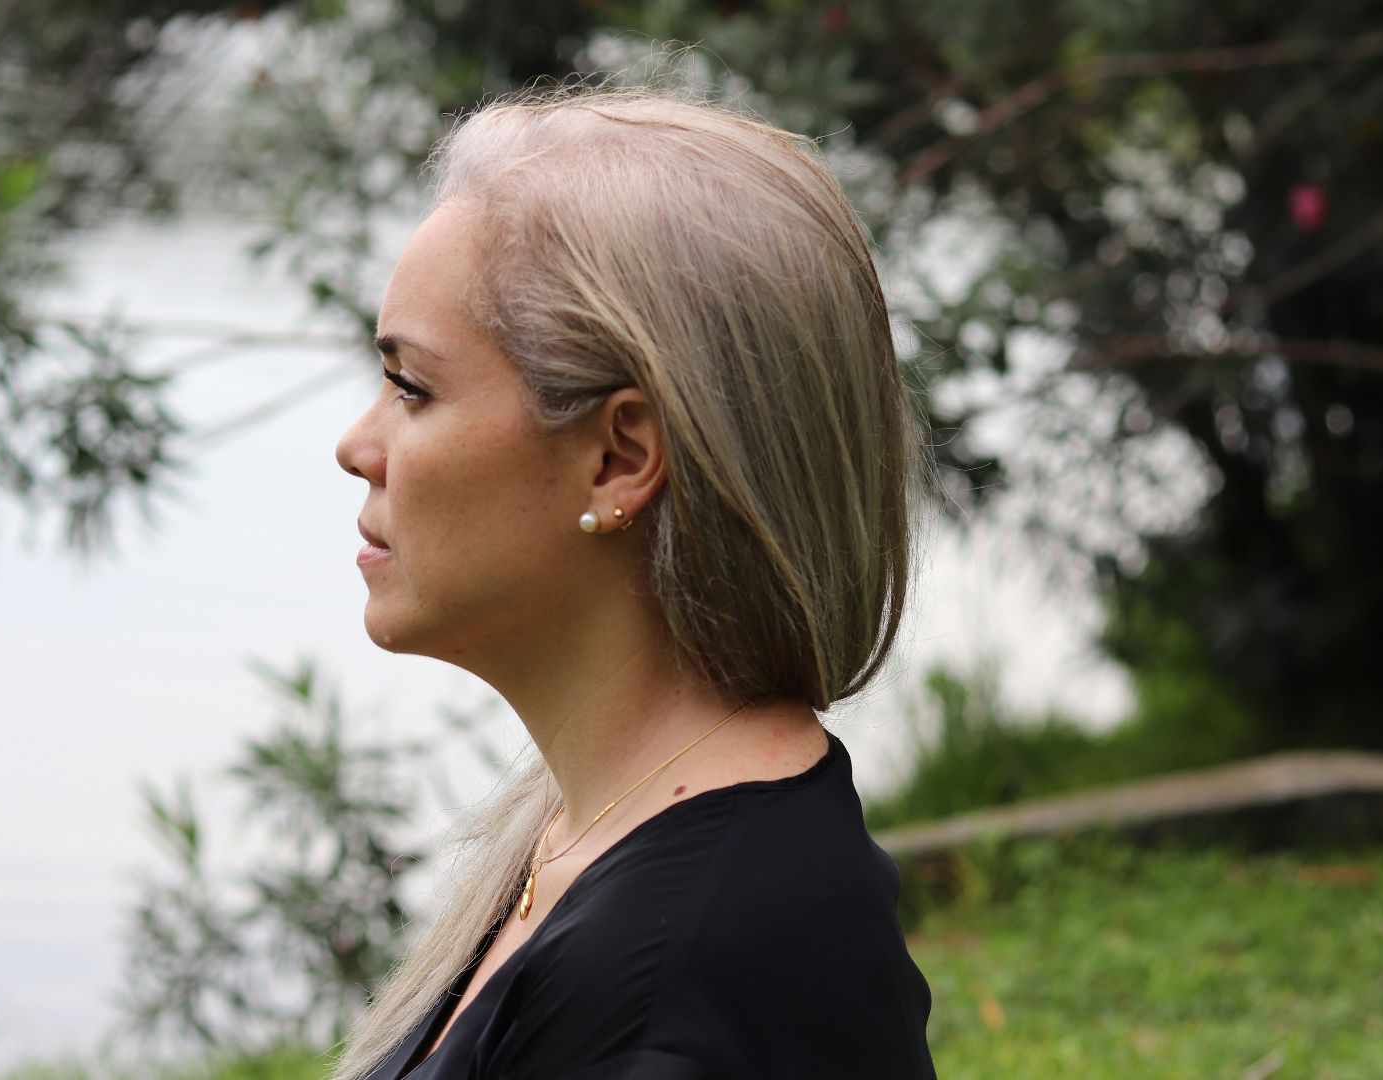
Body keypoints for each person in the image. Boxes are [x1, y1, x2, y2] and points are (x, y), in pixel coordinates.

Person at [332, 84, 937, 1079]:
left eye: (412, 388)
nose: (357, 445)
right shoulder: (604, 845)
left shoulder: (681, 993)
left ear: (618, 459)